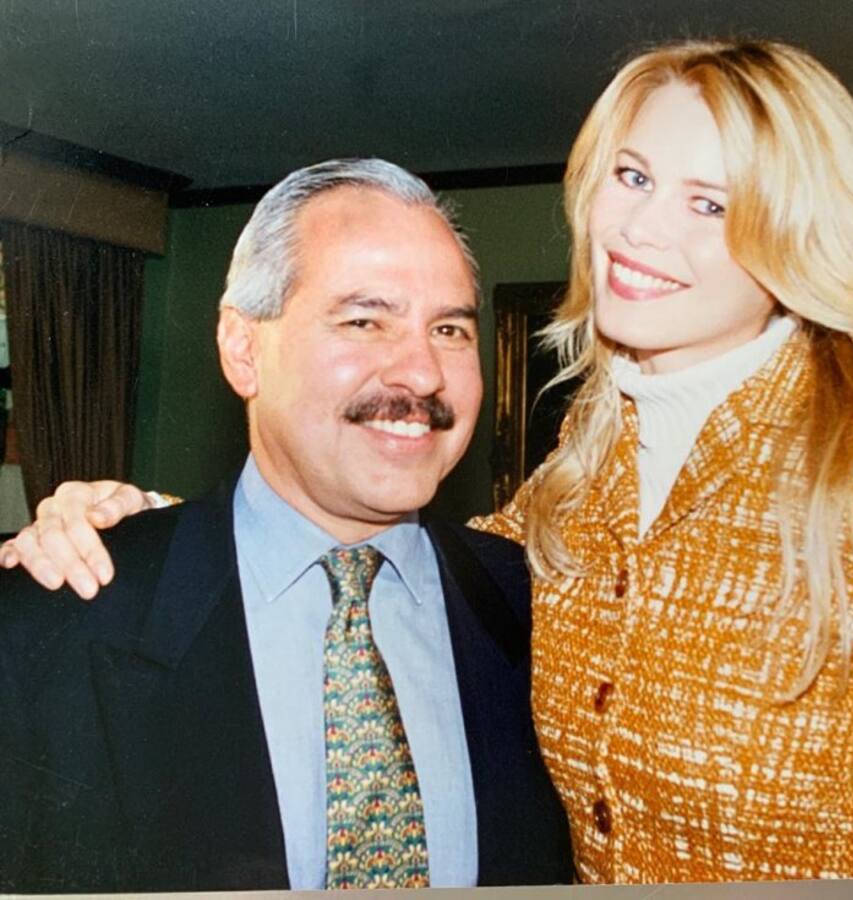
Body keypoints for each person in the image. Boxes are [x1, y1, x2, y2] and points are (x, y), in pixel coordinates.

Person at [3, 41, 853, 882]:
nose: (642, 232)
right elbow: (374, 548)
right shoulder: (580, 482)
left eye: (712, 203)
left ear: (797, 236)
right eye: (633, 178)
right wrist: (159, 530)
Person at [0, 159, 573, 893]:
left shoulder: (537, 606)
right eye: (365, 321)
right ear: (244, 350)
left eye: (450, 328)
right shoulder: (54, 620)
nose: (424, 373)